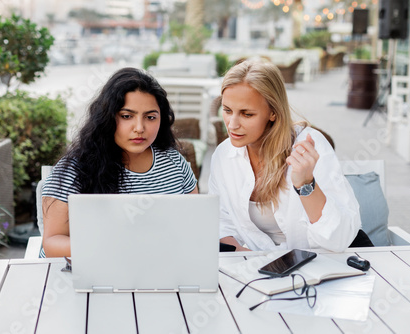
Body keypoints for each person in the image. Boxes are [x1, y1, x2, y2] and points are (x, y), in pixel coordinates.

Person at [42, 67, 198, 257]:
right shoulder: (75, 169)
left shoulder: (175, 162)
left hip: (160, 267)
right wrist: (118, 247)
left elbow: (194, 226)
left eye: (150, 117)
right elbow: (52, 243)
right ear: (107, 117)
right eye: (126, 116)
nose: (139, 128)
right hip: (93, 271)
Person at [209, 59, 361, 252]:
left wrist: (306, 184)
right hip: (266, 269)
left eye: (247, 114)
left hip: (323, 262)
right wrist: (246, 261)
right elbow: (222, 221)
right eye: (227, 110)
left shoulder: (308, 147)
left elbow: (339, 240)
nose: (232, 124)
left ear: (273, 112)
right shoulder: (224, 156)